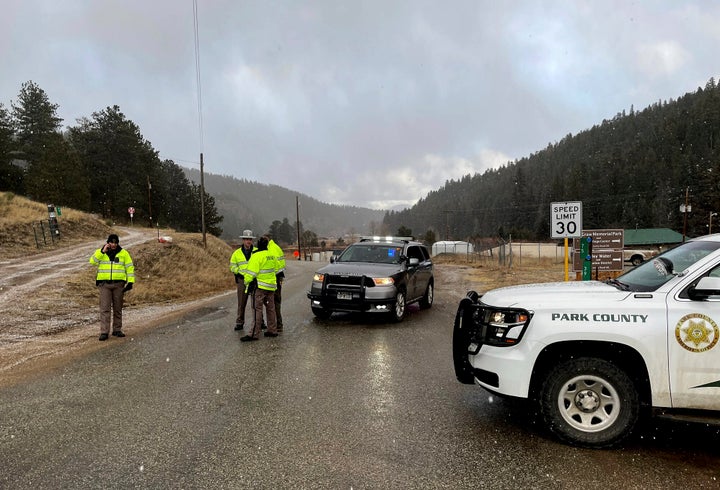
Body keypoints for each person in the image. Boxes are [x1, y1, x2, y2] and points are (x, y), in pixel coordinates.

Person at [89, 233, 135, 341]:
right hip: (104, 285)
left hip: (119, 284)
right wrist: (102, 252)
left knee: (117, 308)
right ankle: (104, 331)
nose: (113, 244)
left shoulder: (124, 253)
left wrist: (130, 282)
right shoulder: (101, 252)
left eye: (115, 242)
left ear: (118, 243)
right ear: (108, 242)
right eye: (111, 242)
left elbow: (129, 267)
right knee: (105, 308)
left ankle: (117, 330)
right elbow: (92, 261)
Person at [240, 235, 278, 342]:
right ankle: (272, 330)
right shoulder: (271, 255)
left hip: (259, 287)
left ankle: (253, 334)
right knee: (271, 309)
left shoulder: (256, 256)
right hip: (271, 287)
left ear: (258, 244)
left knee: (257, 309)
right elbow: (276, 269)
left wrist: (247, 282)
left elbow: (251, 273)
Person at [230, 229, 257, 331]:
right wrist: (239, 272)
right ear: (243, 240)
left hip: (254, 280)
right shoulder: (236, 254)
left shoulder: (256, 251)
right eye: (246, 239)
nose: (248, 241)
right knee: (241, 302)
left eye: (250, 239)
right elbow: (232, 267)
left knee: (256, 303)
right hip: (242, 280)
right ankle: (239, 322)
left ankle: (260, 321)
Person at [268, 237, 286, 332]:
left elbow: (273, 265)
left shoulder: (271, 249)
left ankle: (277, 325)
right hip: (279, 276)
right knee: (276, 301)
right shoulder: (276, 247)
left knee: (274, 302)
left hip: (274, 277)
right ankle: (278, 324)